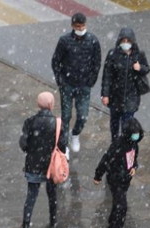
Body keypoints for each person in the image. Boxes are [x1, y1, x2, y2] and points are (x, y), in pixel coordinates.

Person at [18, 92, 68, 228]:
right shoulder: (58, 123)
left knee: (31, 197)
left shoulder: (30, 121)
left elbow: (23, 143)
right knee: (52, 194)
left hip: (33, 164)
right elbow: (63, 146)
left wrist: (32, 150)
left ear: (38, 104)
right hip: (51, 166)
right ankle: (53, 220)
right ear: (51, 105)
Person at [51, 12, 102, 156]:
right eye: (78, 26)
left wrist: (91, 81)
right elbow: (56, 61)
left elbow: (96, 62)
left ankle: (75, 134)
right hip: (67, 84)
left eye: (83, 25)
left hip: (84, 85)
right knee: (65, 116)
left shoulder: (92, 41)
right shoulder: (64, 41)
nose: (81, 28)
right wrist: (60, 80)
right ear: (73, 26)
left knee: (83, 115)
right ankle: (64, 146)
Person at [93, 118, 144, 228]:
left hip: (125, 180)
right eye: (134, 133)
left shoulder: (134, 145)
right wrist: (98, 175)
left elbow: (134, 159)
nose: (136, 136)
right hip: (115, 179)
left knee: (117, 206)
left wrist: (134, 167)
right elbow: (106, 159)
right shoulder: (118, 145)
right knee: (122, 207)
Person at [100, 27, 150, 142]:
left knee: (127, 123)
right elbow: (107, 75)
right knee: (114, 122)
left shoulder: (139, 55)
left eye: (128, 41)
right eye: (123, 41)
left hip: (131, 97)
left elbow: (147, 69)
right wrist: (105, 94)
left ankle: (125, 144)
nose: (125, 43)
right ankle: (115, 142)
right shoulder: (113, 54)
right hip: (115, 95)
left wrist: (139, 68)